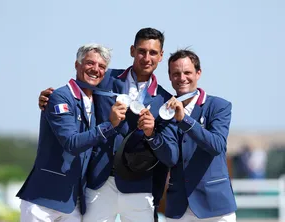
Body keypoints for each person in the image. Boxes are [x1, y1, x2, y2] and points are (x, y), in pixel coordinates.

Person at [38, 28, 178, 222]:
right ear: (132, 50)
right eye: (141, 51)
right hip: (98, 183)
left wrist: (151, 132)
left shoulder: (165, 101)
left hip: (139, 187)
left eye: (153, 52)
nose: (146, 57)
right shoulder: (105, 79)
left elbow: (170, 155)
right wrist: (49, 98)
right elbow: (75, 91)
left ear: (161, 56)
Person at [17, 43, 127, 222]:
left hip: (72, 203)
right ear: (77, 65)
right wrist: (110, 124)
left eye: (101, 66)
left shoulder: (97, 100)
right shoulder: (60, 96)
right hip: (43, 200)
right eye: (90, 63)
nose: (95, 69)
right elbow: (71, 143)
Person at [161, 49, 237, 221]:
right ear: (170, 76)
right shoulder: (164, 111)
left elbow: (217, 145)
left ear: (198, 73)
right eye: (176, 73)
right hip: (178, 207)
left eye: (187, 72)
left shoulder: (219, 106)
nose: (182, 78)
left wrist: (184, 120)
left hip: (215, 206)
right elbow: (169, 157)